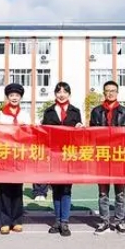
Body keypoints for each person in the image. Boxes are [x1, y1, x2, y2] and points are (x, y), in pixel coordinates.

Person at [90, 80, 125, 235]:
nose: (110, 93)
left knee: (120, 193)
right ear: (104, 93)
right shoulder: (96, 111)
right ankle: (104, 222)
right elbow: (91, 134)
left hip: (119, 156)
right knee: (103, 193)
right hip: (102, 156)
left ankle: (119, 221)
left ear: (117, 92)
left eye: (113, 90)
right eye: (107, 91)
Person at [40, 82, 83, 237]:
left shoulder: (75, 111)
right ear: (55, 94)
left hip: (69, 155)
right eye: (59, 91)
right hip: (53, 155)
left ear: (69, 94)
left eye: (65, 91)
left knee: (66, 189)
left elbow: (79, 135)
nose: (61, 94)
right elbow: (44, 134)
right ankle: (57, 220)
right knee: (56, 189)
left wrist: (79, 128)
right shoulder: (49, 112)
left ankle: (64, 221)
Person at [0, 83, 31, 235]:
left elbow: (31, 133)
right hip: (4, 155)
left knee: (17, 189)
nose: (14, 98)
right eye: (11, 95)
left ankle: (17, 220)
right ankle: (4, 221)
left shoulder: (25, 115)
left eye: (17, 95)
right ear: (7, 97)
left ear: (21, 97)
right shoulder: (0, 115)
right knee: (3, 189)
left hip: (19, 156)